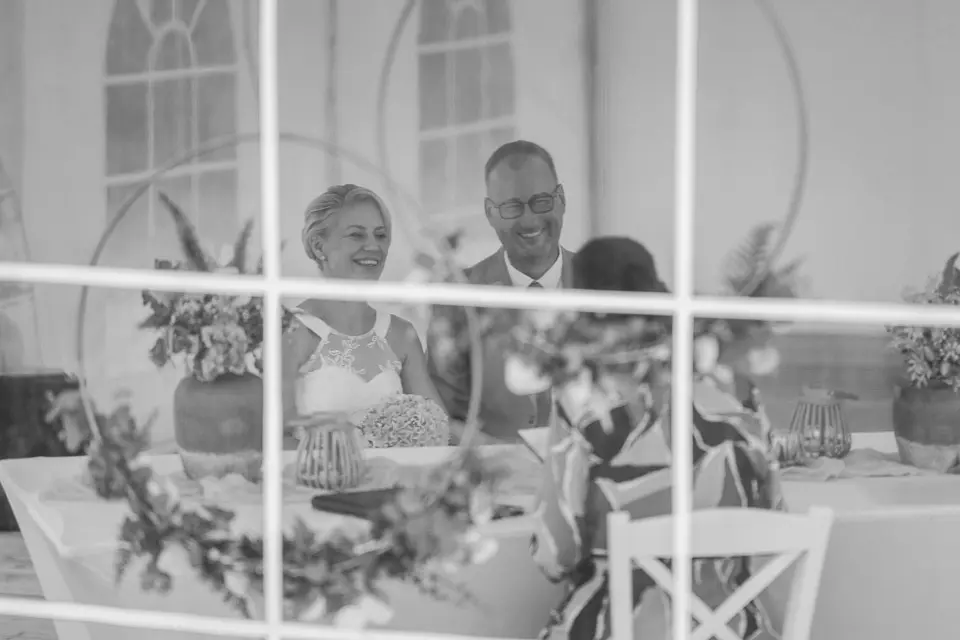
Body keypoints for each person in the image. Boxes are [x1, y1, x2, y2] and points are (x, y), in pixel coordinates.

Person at [529, 236, 784, 640]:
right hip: (736, 631)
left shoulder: (585, 400)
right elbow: (772, 517)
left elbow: (554, 555)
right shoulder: (736, 388)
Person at [427, 140, 575, 441]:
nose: (530, 220)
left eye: (541, 201)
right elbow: (440, 413)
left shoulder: (607, 286)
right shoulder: (458, 299)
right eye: (512, 207)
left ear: (560, 199)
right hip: (496, 476)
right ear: (490, 213)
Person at [282, 184, 446, 442]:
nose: (373, 246)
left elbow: (439, 428)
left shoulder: (401, 334)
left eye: (380, 236)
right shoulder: (291, 331)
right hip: (316, 480)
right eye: (357, 235)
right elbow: (275, 438)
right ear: (318, 246)